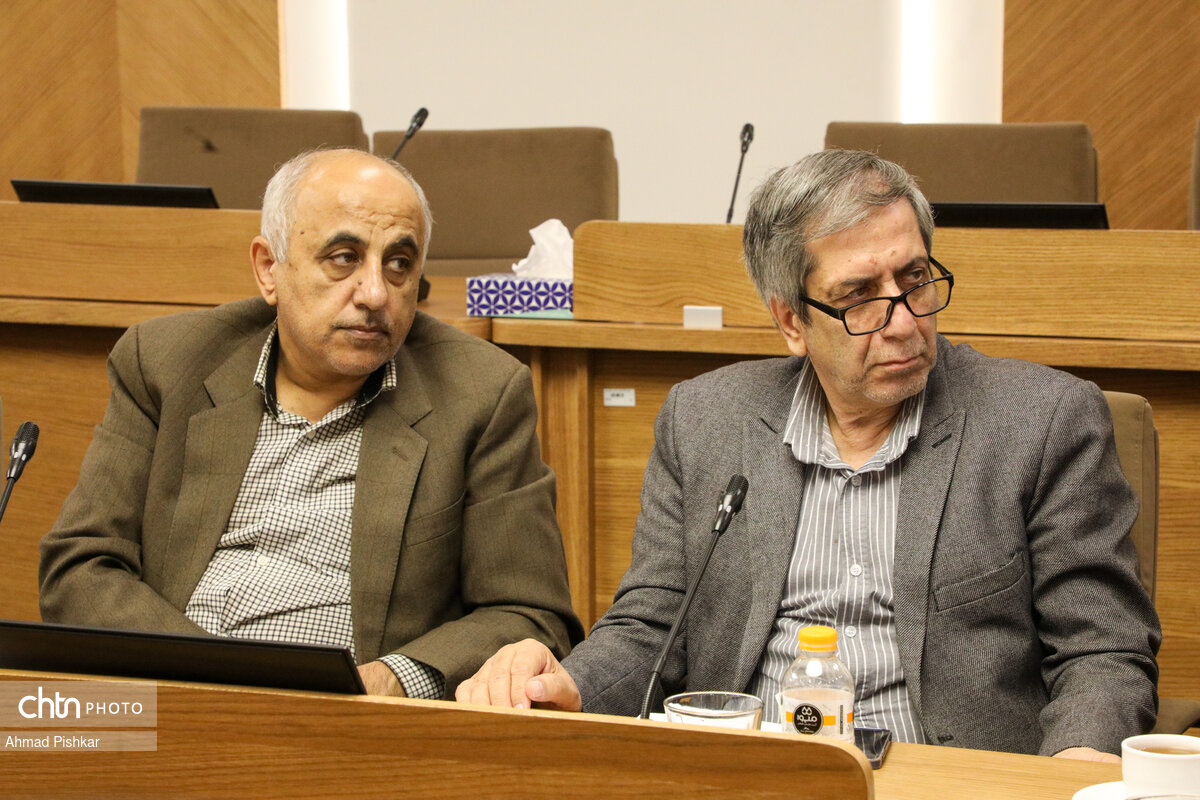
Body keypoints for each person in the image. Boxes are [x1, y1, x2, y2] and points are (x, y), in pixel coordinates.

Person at [455, 150, 1160, 759]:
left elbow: (1102, 650)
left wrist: (1075, 766)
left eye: (915, 279)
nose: (903, 322)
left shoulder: (1043, 422)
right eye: (859, 296)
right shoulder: (705, 420)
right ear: (791, 321)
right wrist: (566, 685)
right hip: (749, 772)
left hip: (947, 780)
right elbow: (653, 625)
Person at [40, 148, 583, 698]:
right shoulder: (166, 362)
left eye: (399, 264)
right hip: (168, 700)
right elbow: (80, 566)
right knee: (32, 727)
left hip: (345, 724)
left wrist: (391, 681)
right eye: (344, 258)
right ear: (268, 269)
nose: (376, 294)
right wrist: (209, 680)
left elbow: (528, 613)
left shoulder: (481, 393)